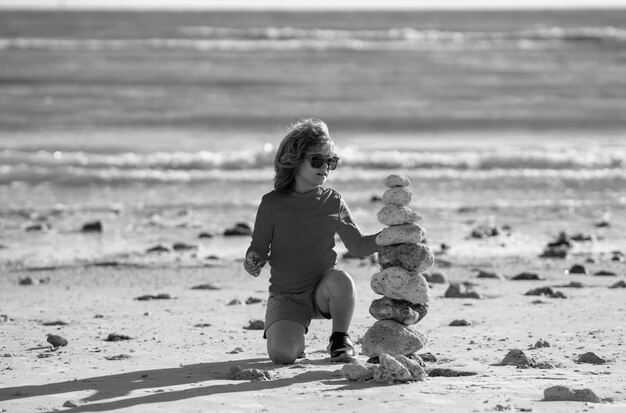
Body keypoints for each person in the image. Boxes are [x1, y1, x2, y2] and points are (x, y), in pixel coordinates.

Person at [243, 118, 380, 365]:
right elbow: (258, 249)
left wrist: (387, 238)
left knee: (342, 280)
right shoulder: (272, 204)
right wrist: (252, 261)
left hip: (322, 291)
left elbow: (358, 246)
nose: (325, 167)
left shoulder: (333, 201)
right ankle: (294, 338)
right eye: (317, 160)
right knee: (283, 356)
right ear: (294, 160)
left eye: (331, 161)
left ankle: (339, 338)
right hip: (286, 297)